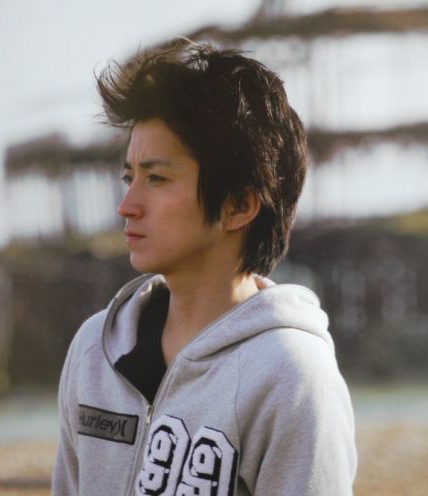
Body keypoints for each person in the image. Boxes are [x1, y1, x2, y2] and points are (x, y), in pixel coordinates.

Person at [52, 41, 357, 496]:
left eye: (156, 178)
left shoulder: (291, 377)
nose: (126, 205)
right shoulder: (95, 350)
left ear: (238, 206)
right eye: (128, 177)